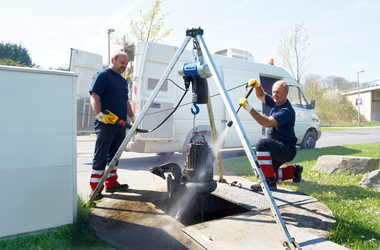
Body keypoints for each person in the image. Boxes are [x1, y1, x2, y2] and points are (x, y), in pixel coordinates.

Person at [238, 79, 303, 191]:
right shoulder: (276, 102)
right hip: (277, 147)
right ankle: (294, 170)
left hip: (285, 149)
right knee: (263, 173)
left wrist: (249, 108)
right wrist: (257, 85)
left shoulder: (287, 110)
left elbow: (267, 122)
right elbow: (261, 95)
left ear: (286, 93)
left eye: (278, 92)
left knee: (261, 144)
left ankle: (269, 183)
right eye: (273, 92)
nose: (274, 95)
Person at [89, 51, 136, 199]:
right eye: (122, 63)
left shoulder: (122, 81)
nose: (124, 66)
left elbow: (125, 101)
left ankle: (111, 184)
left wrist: (133, 117)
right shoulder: (103, 75)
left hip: (120, 125)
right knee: (101, 156)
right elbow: (94, 96)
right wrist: (100, 115)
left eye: (126, 64)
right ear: (113, 60)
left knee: (115, 156)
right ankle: (95, 189)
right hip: (106, 124)